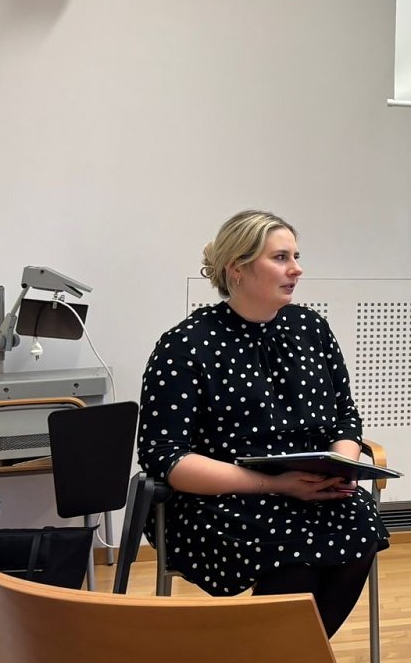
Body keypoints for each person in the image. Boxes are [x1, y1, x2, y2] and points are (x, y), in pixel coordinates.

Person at [139, 210, 388, 637]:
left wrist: (342, 467)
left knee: (361, 525)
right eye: (280, 257)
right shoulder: (185, 344)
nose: (297, 269)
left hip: (309, 488)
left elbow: (345, 417)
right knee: (292, 552)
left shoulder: (311, 329)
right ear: (237, 268)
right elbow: (166, 458)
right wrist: (275, 484)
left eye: (296, 256)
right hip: (221, 498)